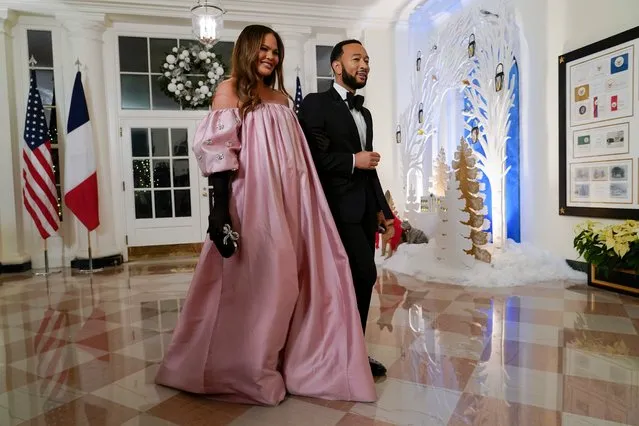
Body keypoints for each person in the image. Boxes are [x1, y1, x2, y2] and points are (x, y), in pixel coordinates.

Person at [154, 25, 376, 406]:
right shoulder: (230, 91)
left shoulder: (282, 99)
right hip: (254, 200)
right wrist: (220, 209)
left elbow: (298, 157)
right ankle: (249, 364)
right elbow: (219, 153)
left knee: (300, 279)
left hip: (294, 201)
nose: (270, 56)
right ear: (246, 50)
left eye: (275, 50)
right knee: (266, 282)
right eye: (263, 49)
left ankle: (295, 359)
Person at [298, 40, 393, 377]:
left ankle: (352, 352)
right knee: (360, 275)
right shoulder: (315, 104)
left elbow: (370, 166)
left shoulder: (364, 112)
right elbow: (314, 159)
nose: (364, 64)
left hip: (364, 208)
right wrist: (355, 160)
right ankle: (337, 352)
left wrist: (382, 210)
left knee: (361, 278)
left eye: (367, 59)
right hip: (334, 209)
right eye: (356, 59)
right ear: (336, 66)